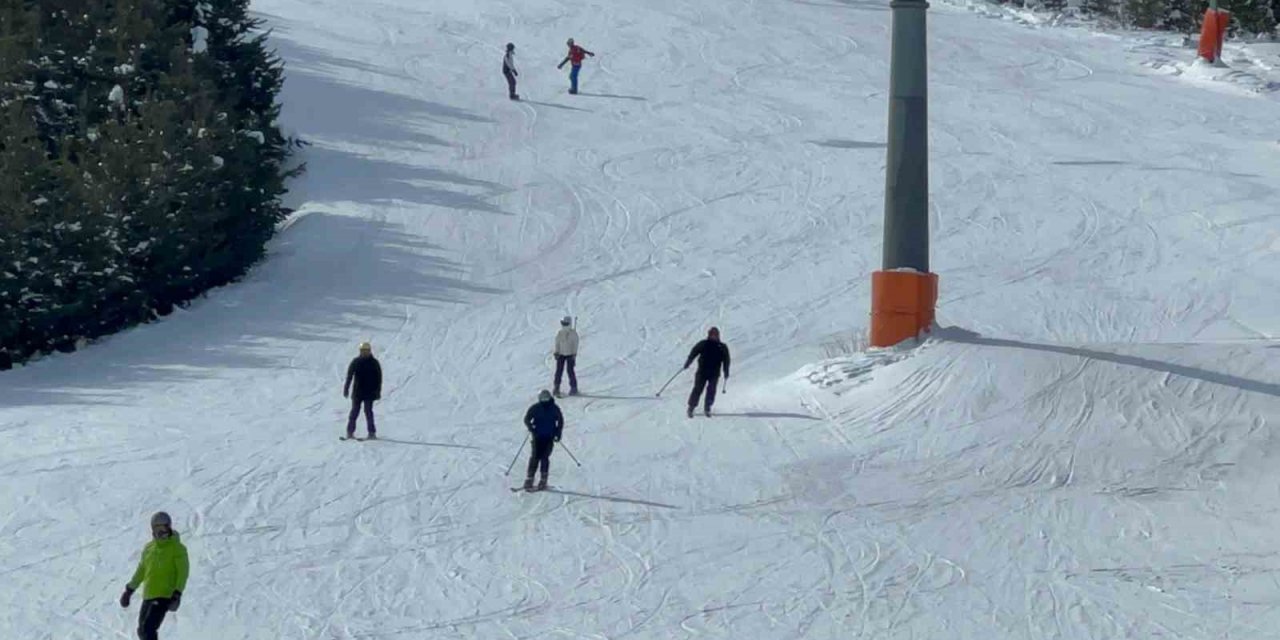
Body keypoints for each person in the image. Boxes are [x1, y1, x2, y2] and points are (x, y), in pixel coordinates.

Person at [119, 512, 189, 640]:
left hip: (164, 595)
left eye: (164, 528)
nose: (161, 532)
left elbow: (183, 572)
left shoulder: (177, 548)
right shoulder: (149, 548)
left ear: (169, 527)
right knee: (142, 631)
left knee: (148, 629)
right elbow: (141, 570)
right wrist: (129, 590)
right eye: (157, 528)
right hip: (149, 595)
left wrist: (177, 593)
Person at [683, 326, 730, 418]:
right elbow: (694, 351)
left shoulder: (722, 347)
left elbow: (726, 360)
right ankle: (691, 407)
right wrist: (688, 361)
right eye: (712, 335)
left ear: (718, 336)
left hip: (714, 373)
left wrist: (726, 371)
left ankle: (707, 407)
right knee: (698, 389)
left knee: (711, 390)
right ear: (709, 335)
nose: (714, 336)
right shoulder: (704, 344)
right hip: (702, 371)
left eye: (715, 335)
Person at [522, 389, 564, 491]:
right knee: (535, 457)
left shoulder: (554, 408)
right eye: (542, 399)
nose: (544, 401)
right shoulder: (536, 408)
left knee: (545, 457)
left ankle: (543, 479)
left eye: (546, 399)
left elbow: (560, 421)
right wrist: (531, 427)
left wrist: (558, 432)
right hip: (537, 437)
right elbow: (527, 419)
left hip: (549, 437)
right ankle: (530, 478)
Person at [343, 341, 383, 439]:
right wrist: (346, 388)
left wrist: (378, 392)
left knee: (368, 412)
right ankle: (350, 432)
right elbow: (349, 376)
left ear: (370, 351)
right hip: (357, 392)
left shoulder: (374, 363)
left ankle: (372, 433)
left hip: (369, 392)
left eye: (366, 351)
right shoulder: (356, 362)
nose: (364, 353)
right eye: (362, 351)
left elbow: (379, 378)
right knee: (354, 412)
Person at [553, 315, 579, 397]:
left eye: (565, 323)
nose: (564, 325)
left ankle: (574, 387)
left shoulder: (573, 334)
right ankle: (556, 387)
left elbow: (575, 345)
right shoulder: (560, 333)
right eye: (563, 323)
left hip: (570, 355)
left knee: (570, 371)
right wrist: (556, 352)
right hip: (561, 354)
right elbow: (557, 343)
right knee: (559, 371)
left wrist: (574, 354)